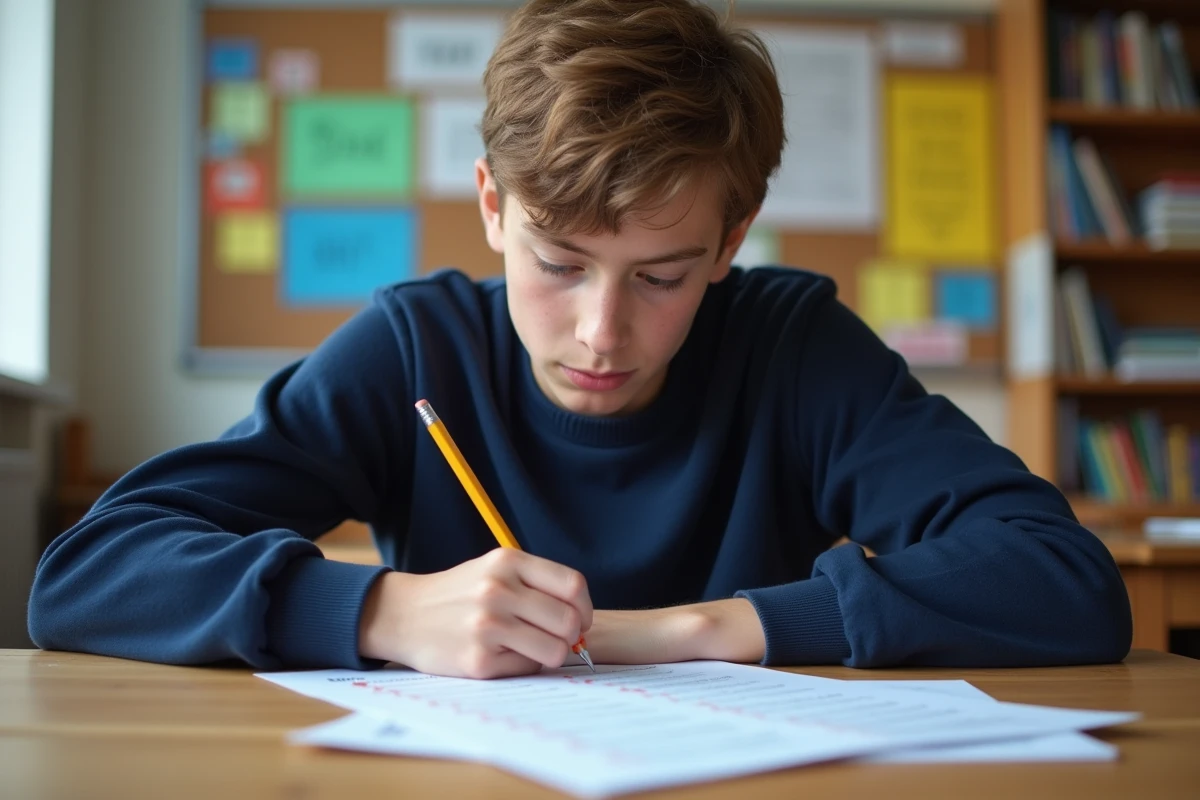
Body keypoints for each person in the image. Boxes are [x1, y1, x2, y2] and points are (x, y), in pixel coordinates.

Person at [28, 0, 1131, 678]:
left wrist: (703, 628)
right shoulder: (417, 348)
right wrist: (381, 607)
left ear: (731, 238)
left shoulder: (792, 347)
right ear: (494, 206)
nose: (603, 332)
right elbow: (90, 572)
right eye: (558, 263)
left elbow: (1063, 580)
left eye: (664, 275)